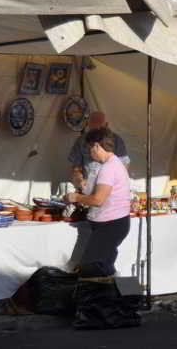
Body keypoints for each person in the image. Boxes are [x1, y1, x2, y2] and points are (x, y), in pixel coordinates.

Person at [65, 127, 131, 276]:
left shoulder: (109, 167)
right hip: (112, 223)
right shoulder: (112, 164)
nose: (89, 153)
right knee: (103, 266)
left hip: (111, 225)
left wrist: (76, 197)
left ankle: (109, 295)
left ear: (97, 146)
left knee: (91, 267)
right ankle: (112, 294)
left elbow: (98, 200)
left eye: (90, 148)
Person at [68, 112, 130, 194]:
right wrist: (79, 181)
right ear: (88, 125)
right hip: (88, 189)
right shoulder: (81, 141)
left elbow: (124, 166)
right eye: (93, 130)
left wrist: (108, 184)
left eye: (100, 130)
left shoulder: (117, 140)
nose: (96, 136)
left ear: (106, 125)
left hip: (109, 190)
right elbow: (75, 168)